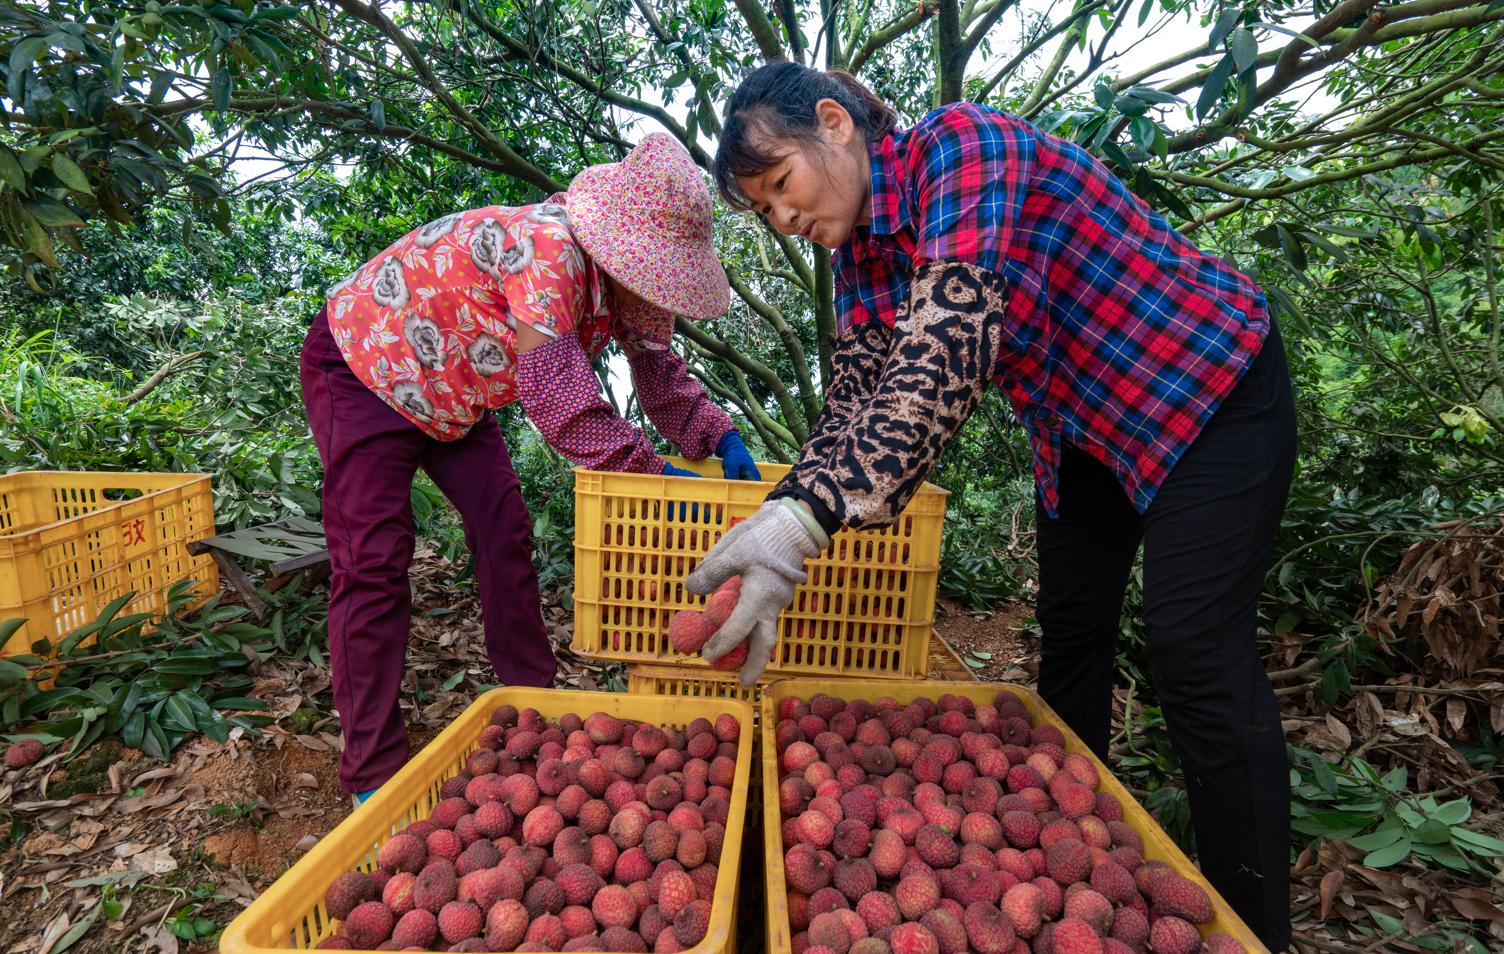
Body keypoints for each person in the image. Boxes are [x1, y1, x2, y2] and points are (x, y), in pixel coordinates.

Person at [689, 62, 1295, 949]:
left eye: (782, 182)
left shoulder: (965, 152)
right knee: (1072, 636)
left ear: (836, 123)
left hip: (1205, 387)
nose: (784, 218)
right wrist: (784, 517)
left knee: (1193, 650)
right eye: (766, 211)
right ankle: (1073, 853)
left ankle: (1254, 927)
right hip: (1084, 428)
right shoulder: (860, 255)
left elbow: (943, 357)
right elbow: (859, 400)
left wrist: (803, 523)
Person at [301, 133, 760, 804]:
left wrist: (719, 437)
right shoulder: (551, 253)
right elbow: (560, 403)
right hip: (366, 366)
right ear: (619, 242)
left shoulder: (632, 286)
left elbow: (658, 373)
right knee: (372, 561)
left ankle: (534, 703)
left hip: (455, 393)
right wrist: (654, 477)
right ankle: (372, 772)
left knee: (504, 532)